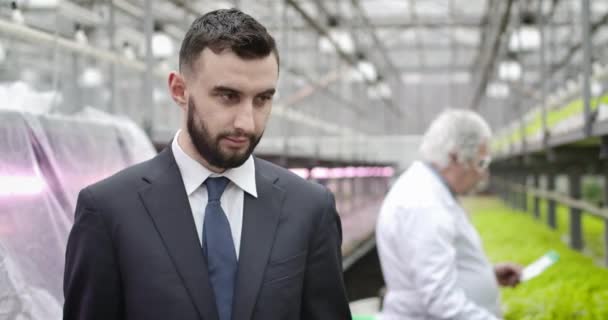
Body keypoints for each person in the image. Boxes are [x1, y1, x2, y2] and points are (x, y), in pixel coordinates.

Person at [63, 9, 351, 320]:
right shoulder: (109, 210)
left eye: (262, 99)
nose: (247, 122)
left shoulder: (309, 208)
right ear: (179, 90)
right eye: (228, 96)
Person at [376, 110, 522, 320]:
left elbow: (434, 267)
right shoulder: (423, 203)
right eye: (481, 163)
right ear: (455, 157)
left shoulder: (431, 191)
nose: (483, 174)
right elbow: (441, 301)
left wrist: (488, 274)